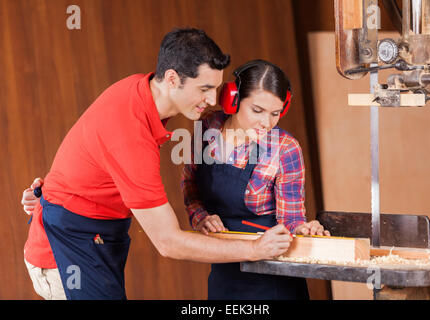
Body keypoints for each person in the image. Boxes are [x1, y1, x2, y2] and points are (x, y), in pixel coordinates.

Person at [19, 28, 294, 300]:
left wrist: (52, 188)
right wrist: (255, 250)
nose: (213, 100)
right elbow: (168, 242)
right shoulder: (131, 132)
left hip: (94, 237)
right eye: (205, 89)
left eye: (216, 88)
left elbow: (89, 149)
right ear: (172, 79)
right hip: (67, 249)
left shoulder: (142, 90)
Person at [182, 60, 330, 300]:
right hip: (224, 272)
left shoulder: (285, 148)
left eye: (275, 114)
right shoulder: (207, 128)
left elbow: (290, 220)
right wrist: (201, 218)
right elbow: (190, 187)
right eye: (257, 111)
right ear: (233, 100)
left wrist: (305, 229)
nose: (266, 123)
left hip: (272, 280)